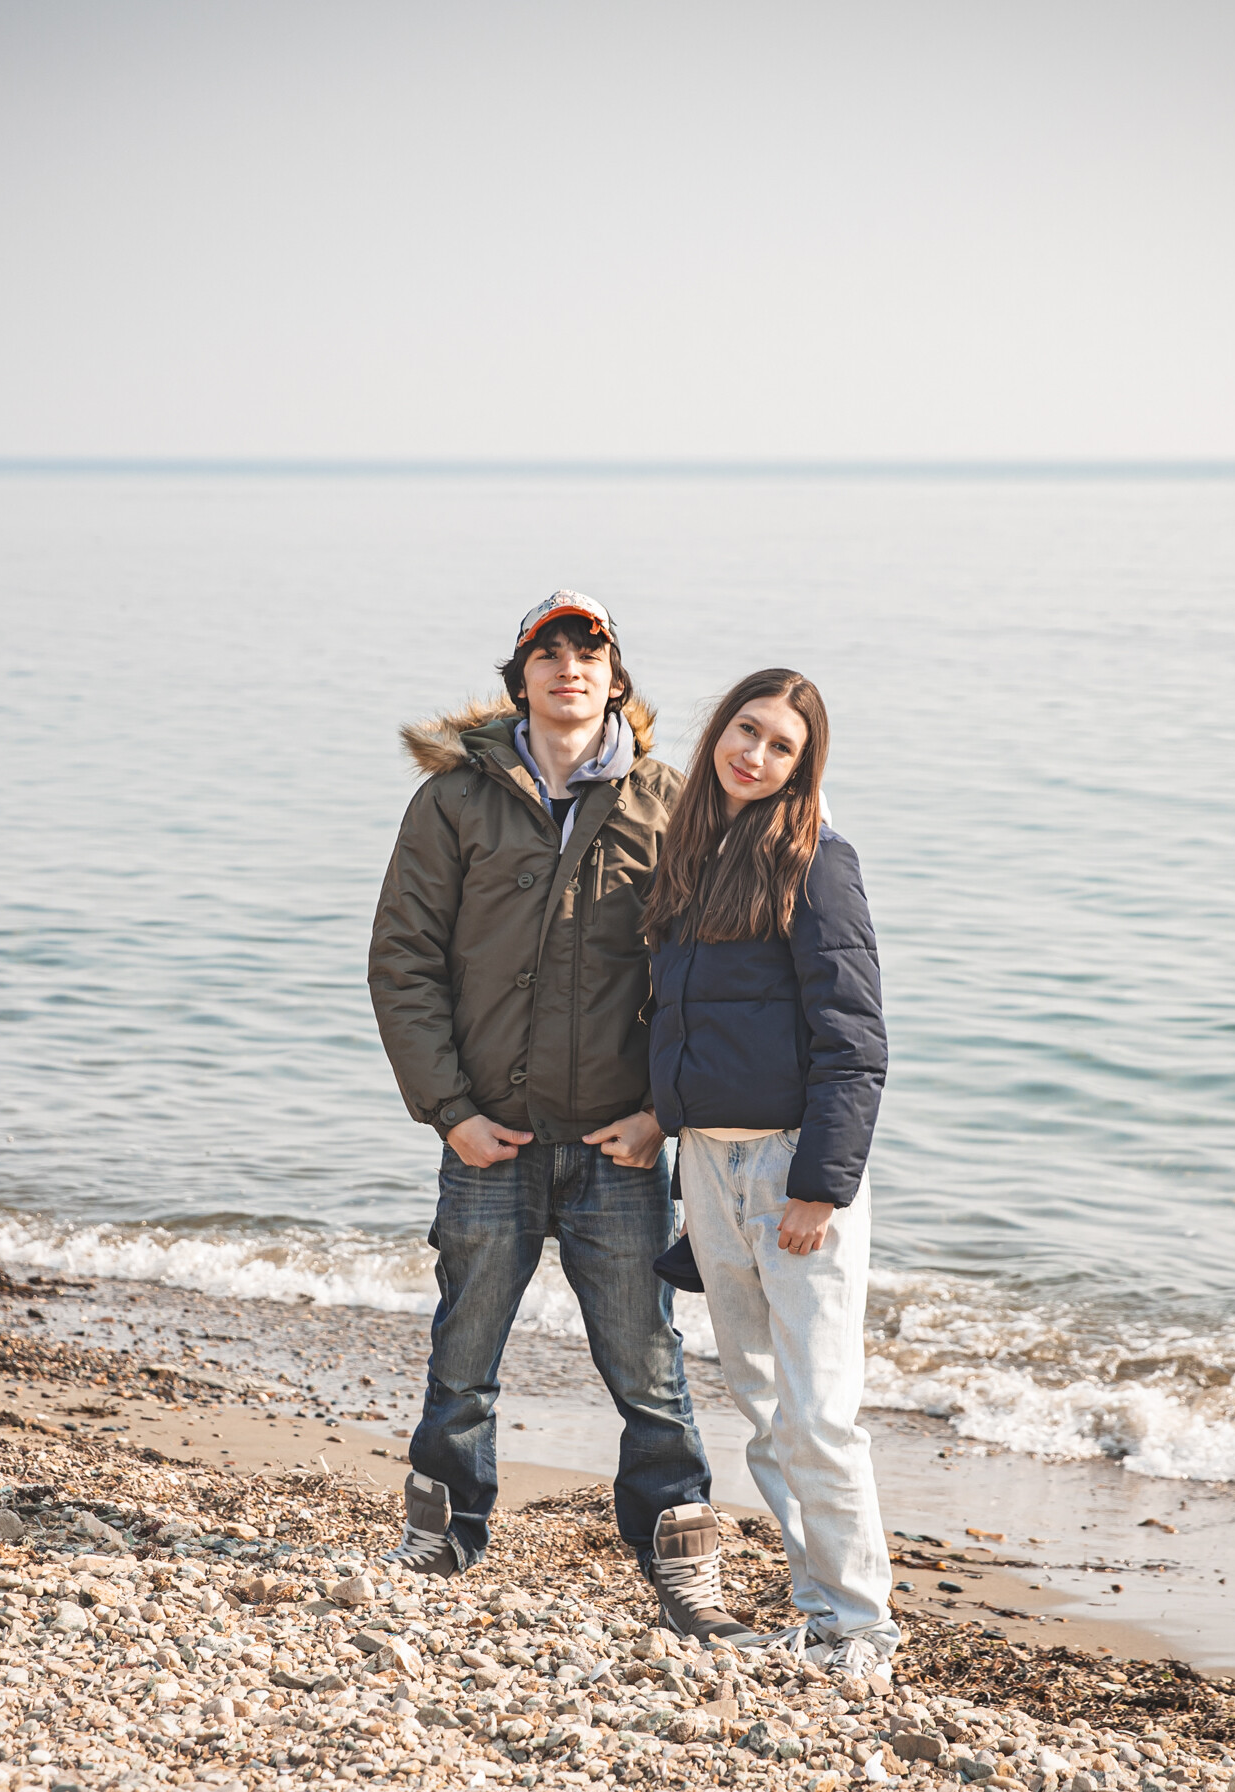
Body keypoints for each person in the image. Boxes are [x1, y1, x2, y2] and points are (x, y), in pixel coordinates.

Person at [367, 590, 753, 1641]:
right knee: (462, 1360)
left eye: (590, 649)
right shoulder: (454, 801)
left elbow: (712, 980)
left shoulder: (673, 804)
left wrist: (661, 1114)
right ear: (521, 678)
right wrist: (450, 1111)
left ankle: (681, 1562)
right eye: (549, 650)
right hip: (487, 1141)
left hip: (618, 1150)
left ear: (616, 679)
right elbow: (403, 962)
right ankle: (440, 1537)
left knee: (649, 1369)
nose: (570, 664)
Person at [643, 668, 898, 1683]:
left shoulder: (819, 861)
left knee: (819, 1412)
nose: (754, 753)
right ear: (719, 731)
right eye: (745, 730)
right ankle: (819, 1614)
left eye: (780, 745)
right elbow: (678, 1018)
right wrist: (659, 1123)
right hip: (708, 1166)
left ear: (804, 766)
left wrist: (821, 1187)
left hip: (793, 1169)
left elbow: (855, 1039)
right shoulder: (693, 856)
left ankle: (863, 1627)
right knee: (761, 1404)